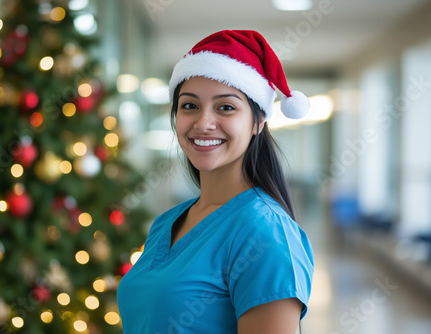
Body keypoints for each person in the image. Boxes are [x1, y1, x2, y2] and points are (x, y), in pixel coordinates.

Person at [117, 30, 314, 334]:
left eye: (225, 107)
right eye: (189, 105)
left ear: (258, 122)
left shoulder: (265, 232)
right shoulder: (166, 223)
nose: (203, 123)